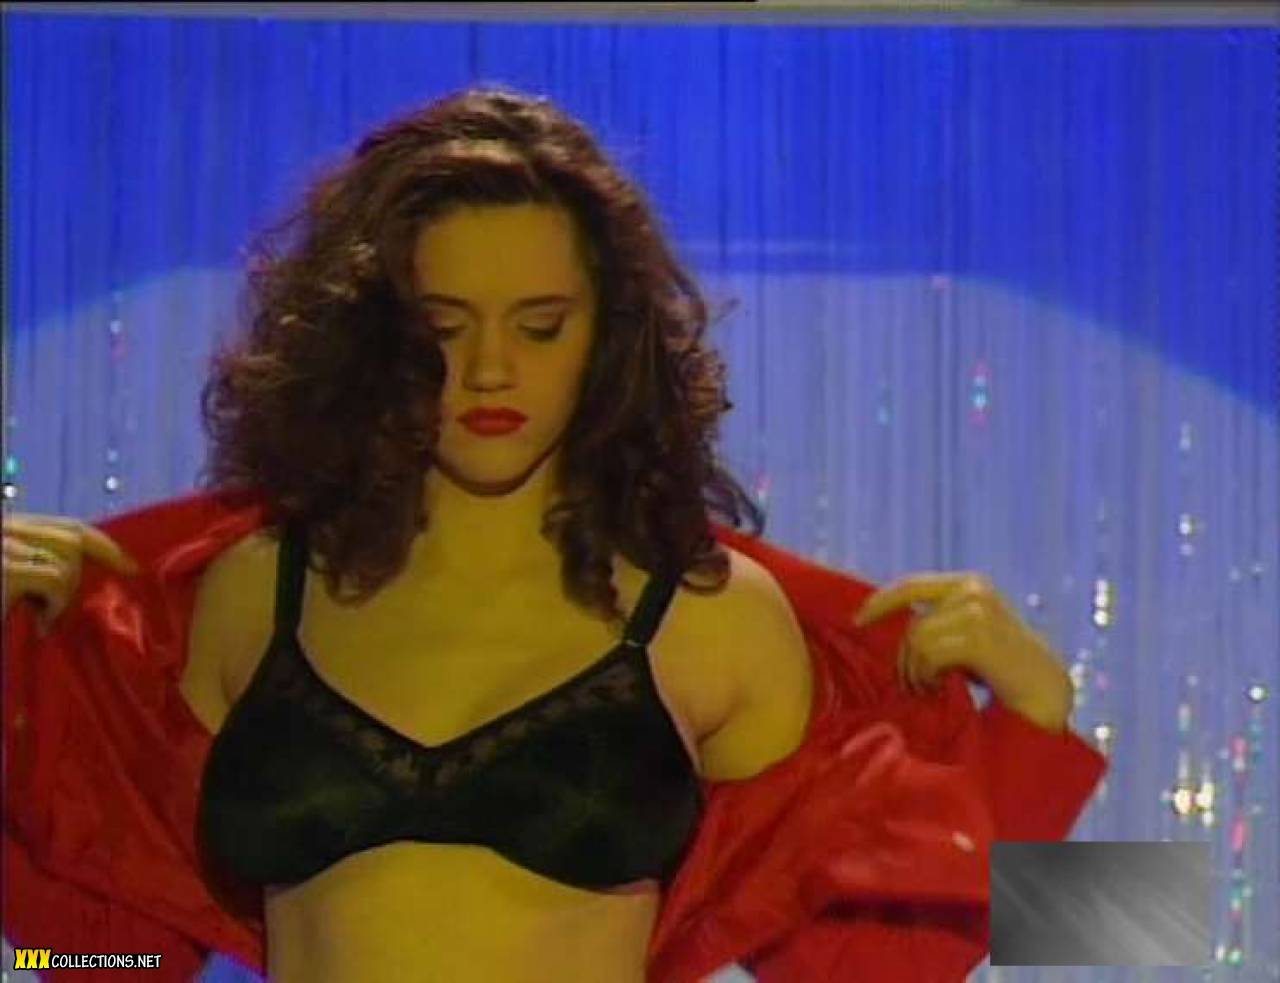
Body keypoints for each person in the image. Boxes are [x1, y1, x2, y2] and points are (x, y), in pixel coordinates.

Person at [1, 87, 1105, 983]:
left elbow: (883, 957)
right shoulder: (246, 595)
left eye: (539, 326)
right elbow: (93, 952)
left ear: (607, 338)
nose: (489, 370)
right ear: (370, 338)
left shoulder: (711, 623)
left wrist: (1035, 725)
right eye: (442, 327)